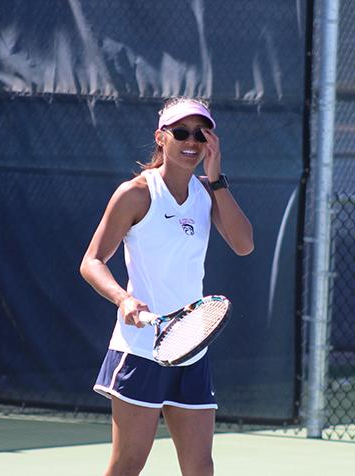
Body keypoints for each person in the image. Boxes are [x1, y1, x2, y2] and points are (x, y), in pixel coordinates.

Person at [80, 96, 254, 476]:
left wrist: (218, 176)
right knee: (128, 464)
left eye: (200, 133)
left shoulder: (208, 194)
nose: (191, 141)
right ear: (161, 137)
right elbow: (91, 262)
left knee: (200, 468)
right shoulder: (136, 194)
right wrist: (123, 299)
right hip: (141, 349)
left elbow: (244, 245)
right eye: (181, 132)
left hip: (191, 347)